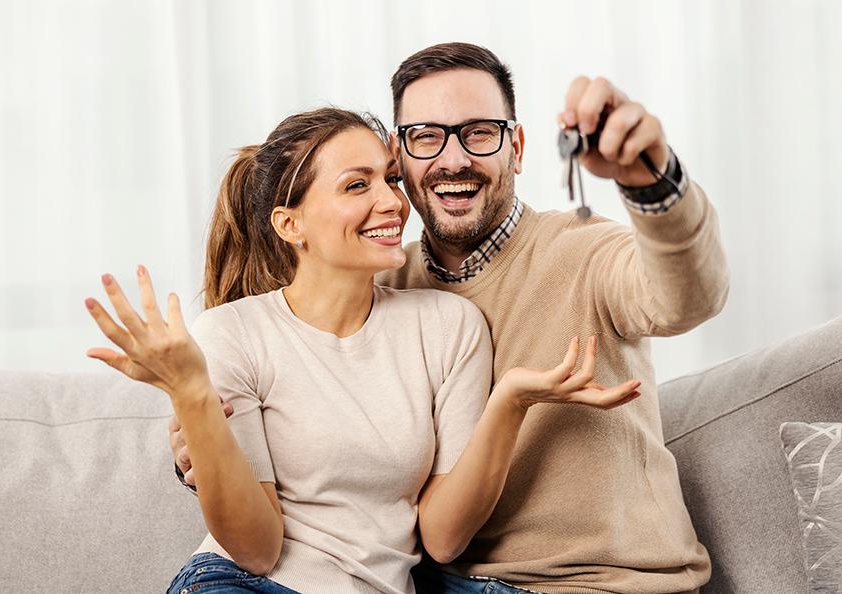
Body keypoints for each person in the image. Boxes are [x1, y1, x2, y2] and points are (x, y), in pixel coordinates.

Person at [171, 43, 729, 594]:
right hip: (438, 582)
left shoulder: (584, 254)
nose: (454, 159)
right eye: (426, 137)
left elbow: (686, 298)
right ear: (400, 155)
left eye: (480, 132)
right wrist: (208, 449)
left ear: (518, 148)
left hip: (592, 582)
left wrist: (652, 181)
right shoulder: (375, 281)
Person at [85, 106, 642, 594]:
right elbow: (255, 549)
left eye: (391, 179)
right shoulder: (231, 335)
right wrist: (192, 396)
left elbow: (444, 540)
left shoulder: (449, 326)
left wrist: (511, 403)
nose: (393, 203)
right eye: (358, 185)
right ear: (290, 224)